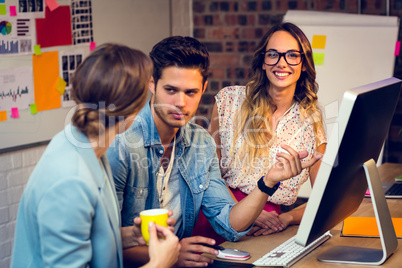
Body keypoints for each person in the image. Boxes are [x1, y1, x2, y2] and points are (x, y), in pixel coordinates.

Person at [107, 36, 322, 267]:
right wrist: (172, 254)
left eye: (191, 92)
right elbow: (101, 243)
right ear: (152, 83)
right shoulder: (120, 146)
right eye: (171, 90)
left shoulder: (201, 144)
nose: (180, 102)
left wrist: (268, 181)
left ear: (204, 88)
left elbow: (229, 225)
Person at [10, 44, 180, 268]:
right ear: (132, 109)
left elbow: (87, 235)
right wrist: (160, 263)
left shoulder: (86, 146)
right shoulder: (70, 181)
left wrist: (132, 236)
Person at [209, 22, 326, 237]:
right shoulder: (229, 101)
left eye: (292, 55)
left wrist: (287, 218)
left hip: (269, 227)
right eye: (273, 54)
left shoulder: (311, 124)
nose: (281, 63)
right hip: (218, 211)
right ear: (263, 61)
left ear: (304, 64)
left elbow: (323, 199)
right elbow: (208, 174)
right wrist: (245, 209)